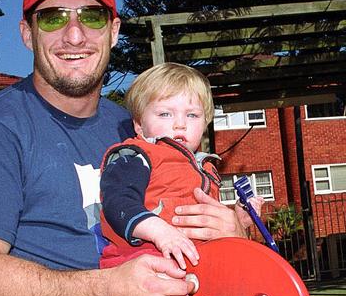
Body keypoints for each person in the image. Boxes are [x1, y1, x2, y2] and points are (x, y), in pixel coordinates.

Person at [0, 0, 252, 296]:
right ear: (27, 33)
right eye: (54, 18)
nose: (74, 35)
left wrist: (234, 230)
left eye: (92, 16)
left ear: (113, 30)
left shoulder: (137, 129)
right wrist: (108, 292)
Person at [99, 63, 263, 271]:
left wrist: (239, 221)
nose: (180, 124)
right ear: (139, 124)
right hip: (143, 260)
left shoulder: (206, 169)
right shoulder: (136, 155)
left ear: (205, 123)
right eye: (165, 114)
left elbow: (205, 223)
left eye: (192, 115)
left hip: (195, 261)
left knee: (261, 295)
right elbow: (118, 202)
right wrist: (160, 232)